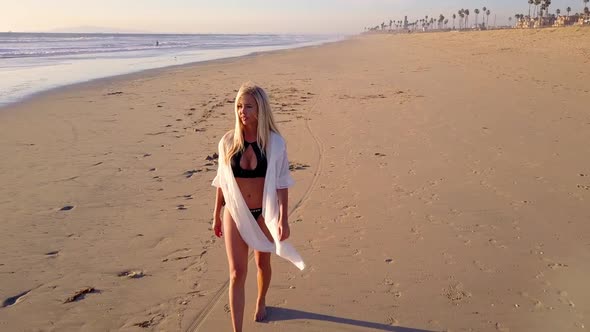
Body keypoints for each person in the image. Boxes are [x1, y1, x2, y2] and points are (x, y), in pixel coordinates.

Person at [212, 82, 305, 332]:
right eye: (239, 106)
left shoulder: (275, 143)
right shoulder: (228, 142)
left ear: (260, 109)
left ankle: (261, 300)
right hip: (235, 212)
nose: (243, 111)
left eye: (249, 106)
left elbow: (282, 183)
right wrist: (216, 215)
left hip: (264, 213)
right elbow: (222, 181)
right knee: (236, 273)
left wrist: (284, 219)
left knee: (263, 265)